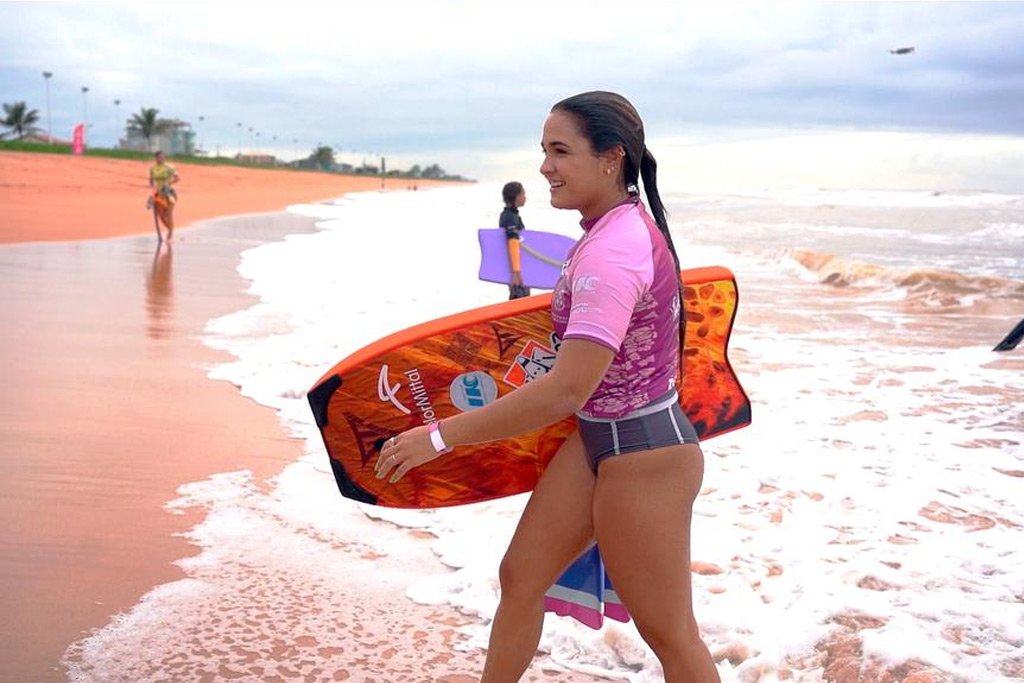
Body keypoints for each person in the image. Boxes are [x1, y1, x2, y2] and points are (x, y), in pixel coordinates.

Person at [376, 91, 720, 683]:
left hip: (645, 457)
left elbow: (565, 391)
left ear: (611, 158)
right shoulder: (609, 229)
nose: (544, 167)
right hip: (597, 444)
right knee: (521, 576)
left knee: (670, 635)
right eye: (544, 151)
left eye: (560, 151)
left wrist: (439, 437)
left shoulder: (612, 251)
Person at [499, 181, 531, 299]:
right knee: (520, 301)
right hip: (515, 270)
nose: (525, 197)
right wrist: (516, 272)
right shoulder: (510, 217)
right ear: (516, 196)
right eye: (523, 194)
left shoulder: (509, 215)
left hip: (515, 267)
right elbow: (512, 242)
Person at [148, 150, 180, 241]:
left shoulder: (169, 167)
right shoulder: (153, 168)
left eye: (163, 157)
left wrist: (169, 182)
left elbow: (177, 178)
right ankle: (171, 229)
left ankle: (170, 234)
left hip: (169, 193)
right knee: (161, 216)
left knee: (169, 214)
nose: (161, 158)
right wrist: (152, 187)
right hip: (158, 194)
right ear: (156, 158)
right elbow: (151, 181)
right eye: (159, 157)